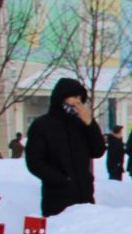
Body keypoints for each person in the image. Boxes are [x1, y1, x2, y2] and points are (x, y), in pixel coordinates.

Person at [25, 78, 106, 217]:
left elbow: (98, 151)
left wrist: (90, 124)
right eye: (74, 97)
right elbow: (35, 162)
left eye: (81, 98)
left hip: (84, 196)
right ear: (61, 98)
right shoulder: (42, 125)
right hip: (57, 198)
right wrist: (60, 179)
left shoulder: (81, 124)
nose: (78, 102)